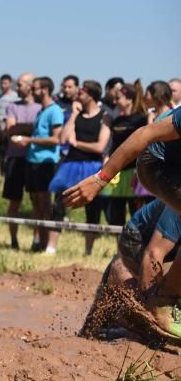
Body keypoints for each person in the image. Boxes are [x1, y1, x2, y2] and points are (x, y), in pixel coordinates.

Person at [63, 103, 181, 335]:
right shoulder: (174, 213)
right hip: (138, 242)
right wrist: (100, 180)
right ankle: (161, 303)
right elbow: (153, 254)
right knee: (113, 327)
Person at [80, 200, 181, 344]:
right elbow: (153, 253)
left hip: (162, 259)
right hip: (136, 250)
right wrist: (153, 307)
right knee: (99, 330)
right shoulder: (176, 204)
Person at [48, 80, 111, 255]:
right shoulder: (75, 113)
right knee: (59, 205)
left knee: (92, 209)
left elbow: (100, 147)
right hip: (70, 165)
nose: (77, 95)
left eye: (81, 93)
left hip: (92, 165)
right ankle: (51, 247)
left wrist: (78, 143)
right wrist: (74, 115)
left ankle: (88, 251)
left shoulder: (104, 116)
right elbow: (63, 139)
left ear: (90, 95)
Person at [11, 77, 63, 254]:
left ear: (46, 89)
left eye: (35, 89)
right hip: (32, 161)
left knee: (45, 203)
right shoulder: (42, 110)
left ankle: (47, 243)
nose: (32, 92)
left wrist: (29, 140)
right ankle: (39, 241)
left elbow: (57, 139)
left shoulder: (55, 111)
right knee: (35, 204)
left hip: (45, 163)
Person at [1, 73, 41, 250]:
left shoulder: (41, 107)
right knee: (14, 202)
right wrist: (33, 128)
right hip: (15, 158)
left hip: (35, 159)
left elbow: (17, 128)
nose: (17, 88)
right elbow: (9, 129)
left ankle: (37, 240)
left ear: (31, 86)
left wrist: (21, 128)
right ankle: (13, 241)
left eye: (20, 84)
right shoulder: (12, 106)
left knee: (37, 202)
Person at [102, 81, 147, 226]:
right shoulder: (117, 120)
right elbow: (114, 145)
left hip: (135, 172)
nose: (115, 102)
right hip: (118, 173)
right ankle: (119, 247)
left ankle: (137, 247)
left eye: (118, 98)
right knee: (115, 215)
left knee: (136, 213)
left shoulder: (142, 119)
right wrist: (107, 158)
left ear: (129, 99)